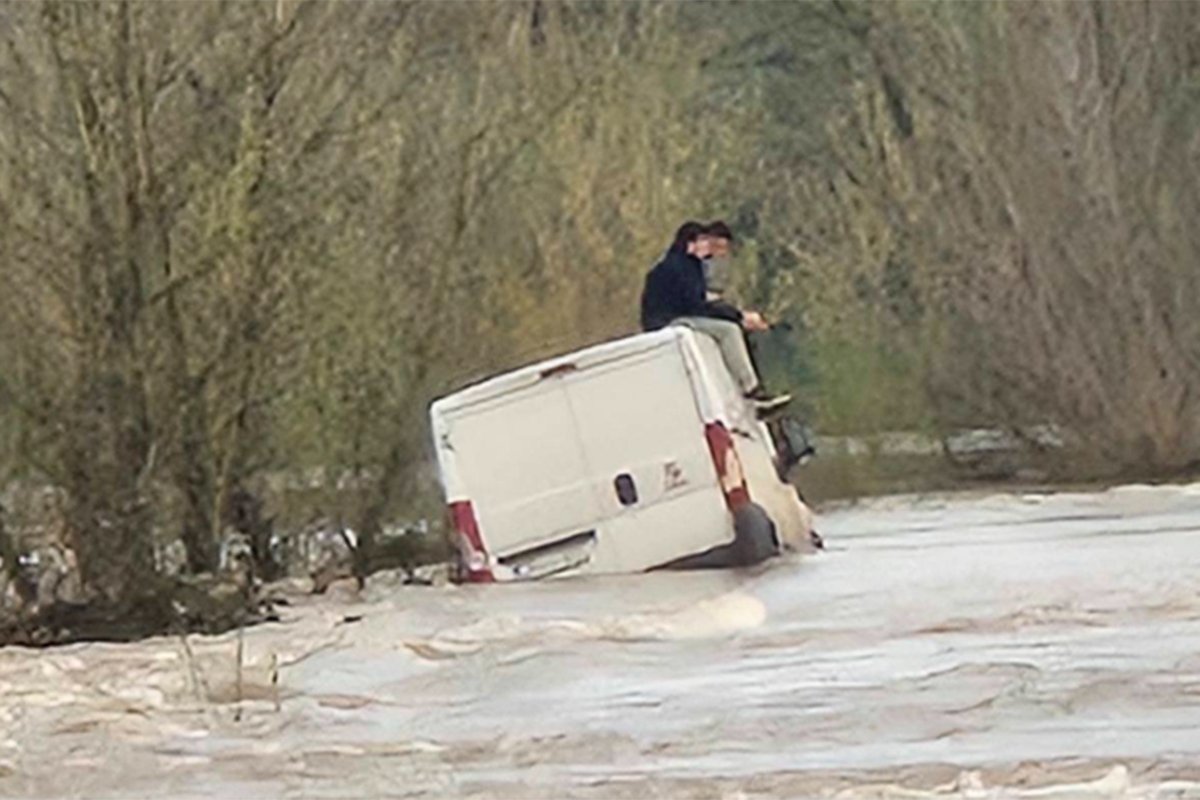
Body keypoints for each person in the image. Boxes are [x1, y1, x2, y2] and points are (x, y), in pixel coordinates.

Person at [640, 221, 789, 413]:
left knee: (731, 328)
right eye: (704, 241)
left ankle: (745, 385)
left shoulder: (687, 266)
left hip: (676, 316)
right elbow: (696, 305)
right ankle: (751, 389)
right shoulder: (679, 268)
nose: (709, 248)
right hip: (667, 322)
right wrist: (736, 317)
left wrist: (731, 313)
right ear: (691, 243)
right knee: (728, 331)